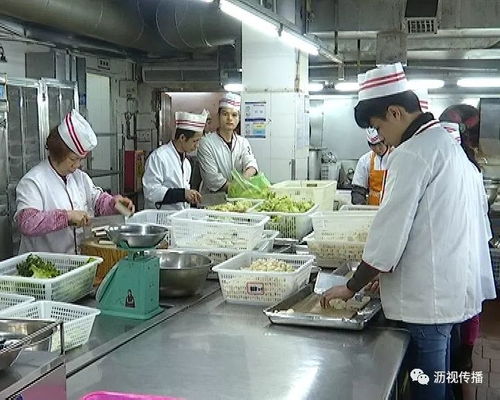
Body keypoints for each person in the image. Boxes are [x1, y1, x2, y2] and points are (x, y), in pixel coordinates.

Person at [320, 63, 495, 400]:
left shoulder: (413, 154)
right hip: (445, 290)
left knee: (427, 385)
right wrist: (380, 272)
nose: (380, 137)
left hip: (428, 299)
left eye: (378, 126)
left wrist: (352, 286)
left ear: (395, 112)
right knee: (437, 380)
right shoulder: (443, 146)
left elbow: (389, 233)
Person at [15, 109, 135, 255]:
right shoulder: (33, 182)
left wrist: (115, 204)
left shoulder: (80, 177)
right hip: (45, 265)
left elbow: (97, 201)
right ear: (58, 152)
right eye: (73, 159)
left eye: (81, 160)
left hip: (77, 261)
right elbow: (27, 223)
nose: (77, 165)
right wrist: (67, 217)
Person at [439, 106, 491, 400]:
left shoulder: (456, 168)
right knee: (468, 313)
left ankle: (457, 371)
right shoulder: (470, 166)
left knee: (457, 322)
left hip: (460, 257)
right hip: (468, 254)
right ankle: (463, 363)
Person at [142, 111, 206, 210]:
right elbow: (151, 192)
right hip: (160, 219)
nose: (197, 146)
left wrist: (190, 196)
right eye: (195, 141)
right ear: (182, 137)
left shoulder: (186, 163)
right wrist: (182, 194)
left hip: (179, 218)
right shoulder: (159, 157)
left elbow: (184, 193)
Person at [197, 93, 258, 193]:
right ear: (218, 116)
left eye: (234, 115)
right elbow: (212, 179)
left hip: (238, 201)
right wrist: (237, 189)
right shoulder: (206, 143)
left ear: (238, 118)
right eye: (225, 114)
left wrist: (243, 181)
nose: (230, 118)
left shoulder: (243, 142)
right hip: (212, 201)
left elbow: (251, 164)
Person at [351, 128, 390, 205]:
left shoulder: (396, 158)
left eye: (380, 144)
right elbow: (358, 191)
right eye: (373, 146)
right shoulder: (364, 160)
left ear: (386, 141)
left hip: (391, 209)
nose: (377, 149)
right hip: (371, 210)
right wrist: (360, 208)